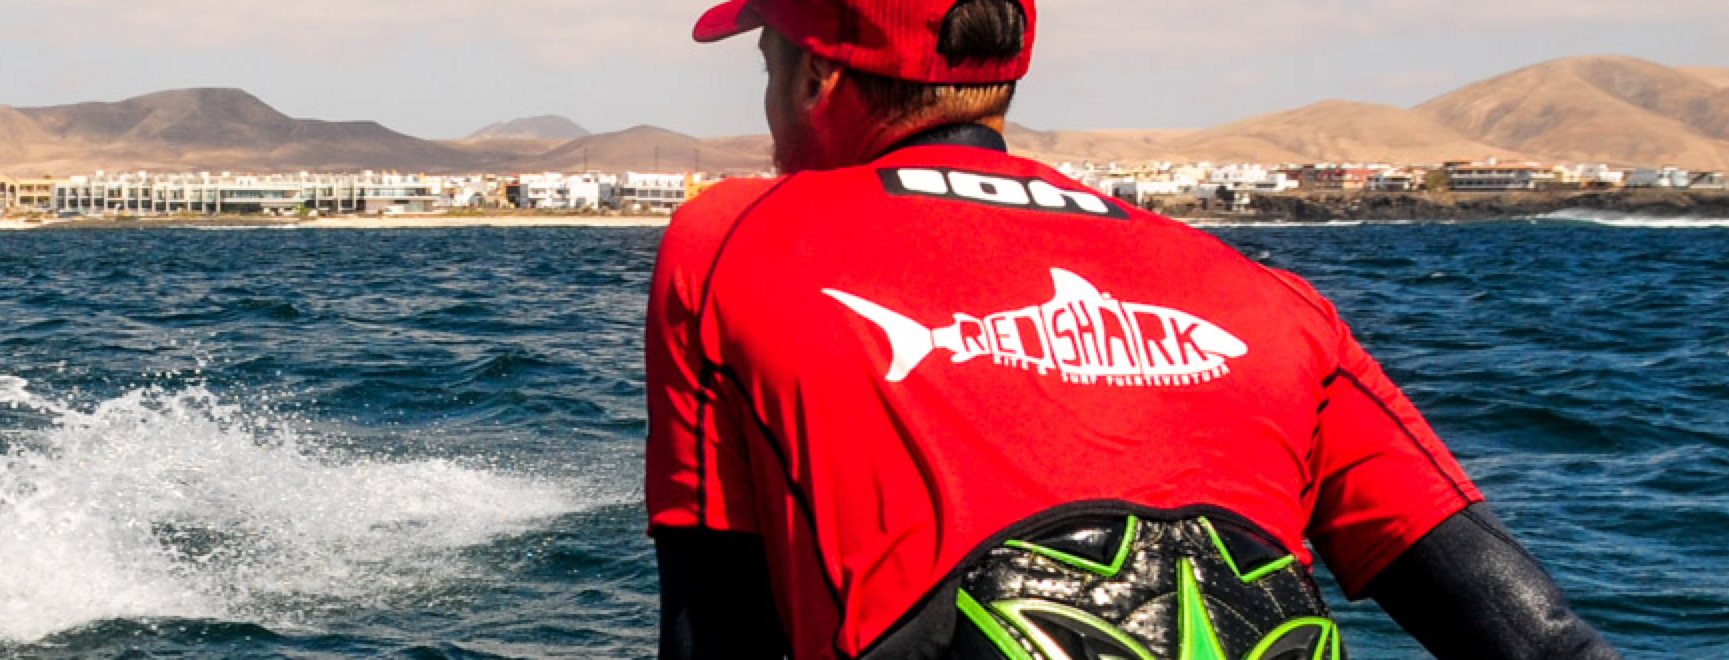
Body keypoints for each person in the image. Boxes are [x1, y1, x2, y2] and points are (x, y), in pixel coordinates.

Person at [643, 1, 1621, 658]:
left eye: (768, 64)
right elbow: (1538, 639)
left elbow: (713, 623)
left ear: (816, 76)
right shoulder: (1268, 299)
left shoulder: (730, 240)